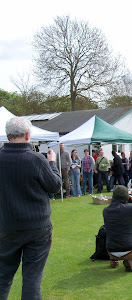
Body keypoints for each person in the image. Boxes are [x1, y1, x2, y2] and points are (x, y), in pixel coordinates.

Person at [0, 117, 62, 299]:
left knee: (3, 277)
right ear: (28, 135)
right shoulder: (35, 159)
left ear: (8, 136)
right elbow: (55, 186)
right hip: (37, 227)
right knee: (32, 279)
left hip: (7, 226)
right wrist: (52, 162)